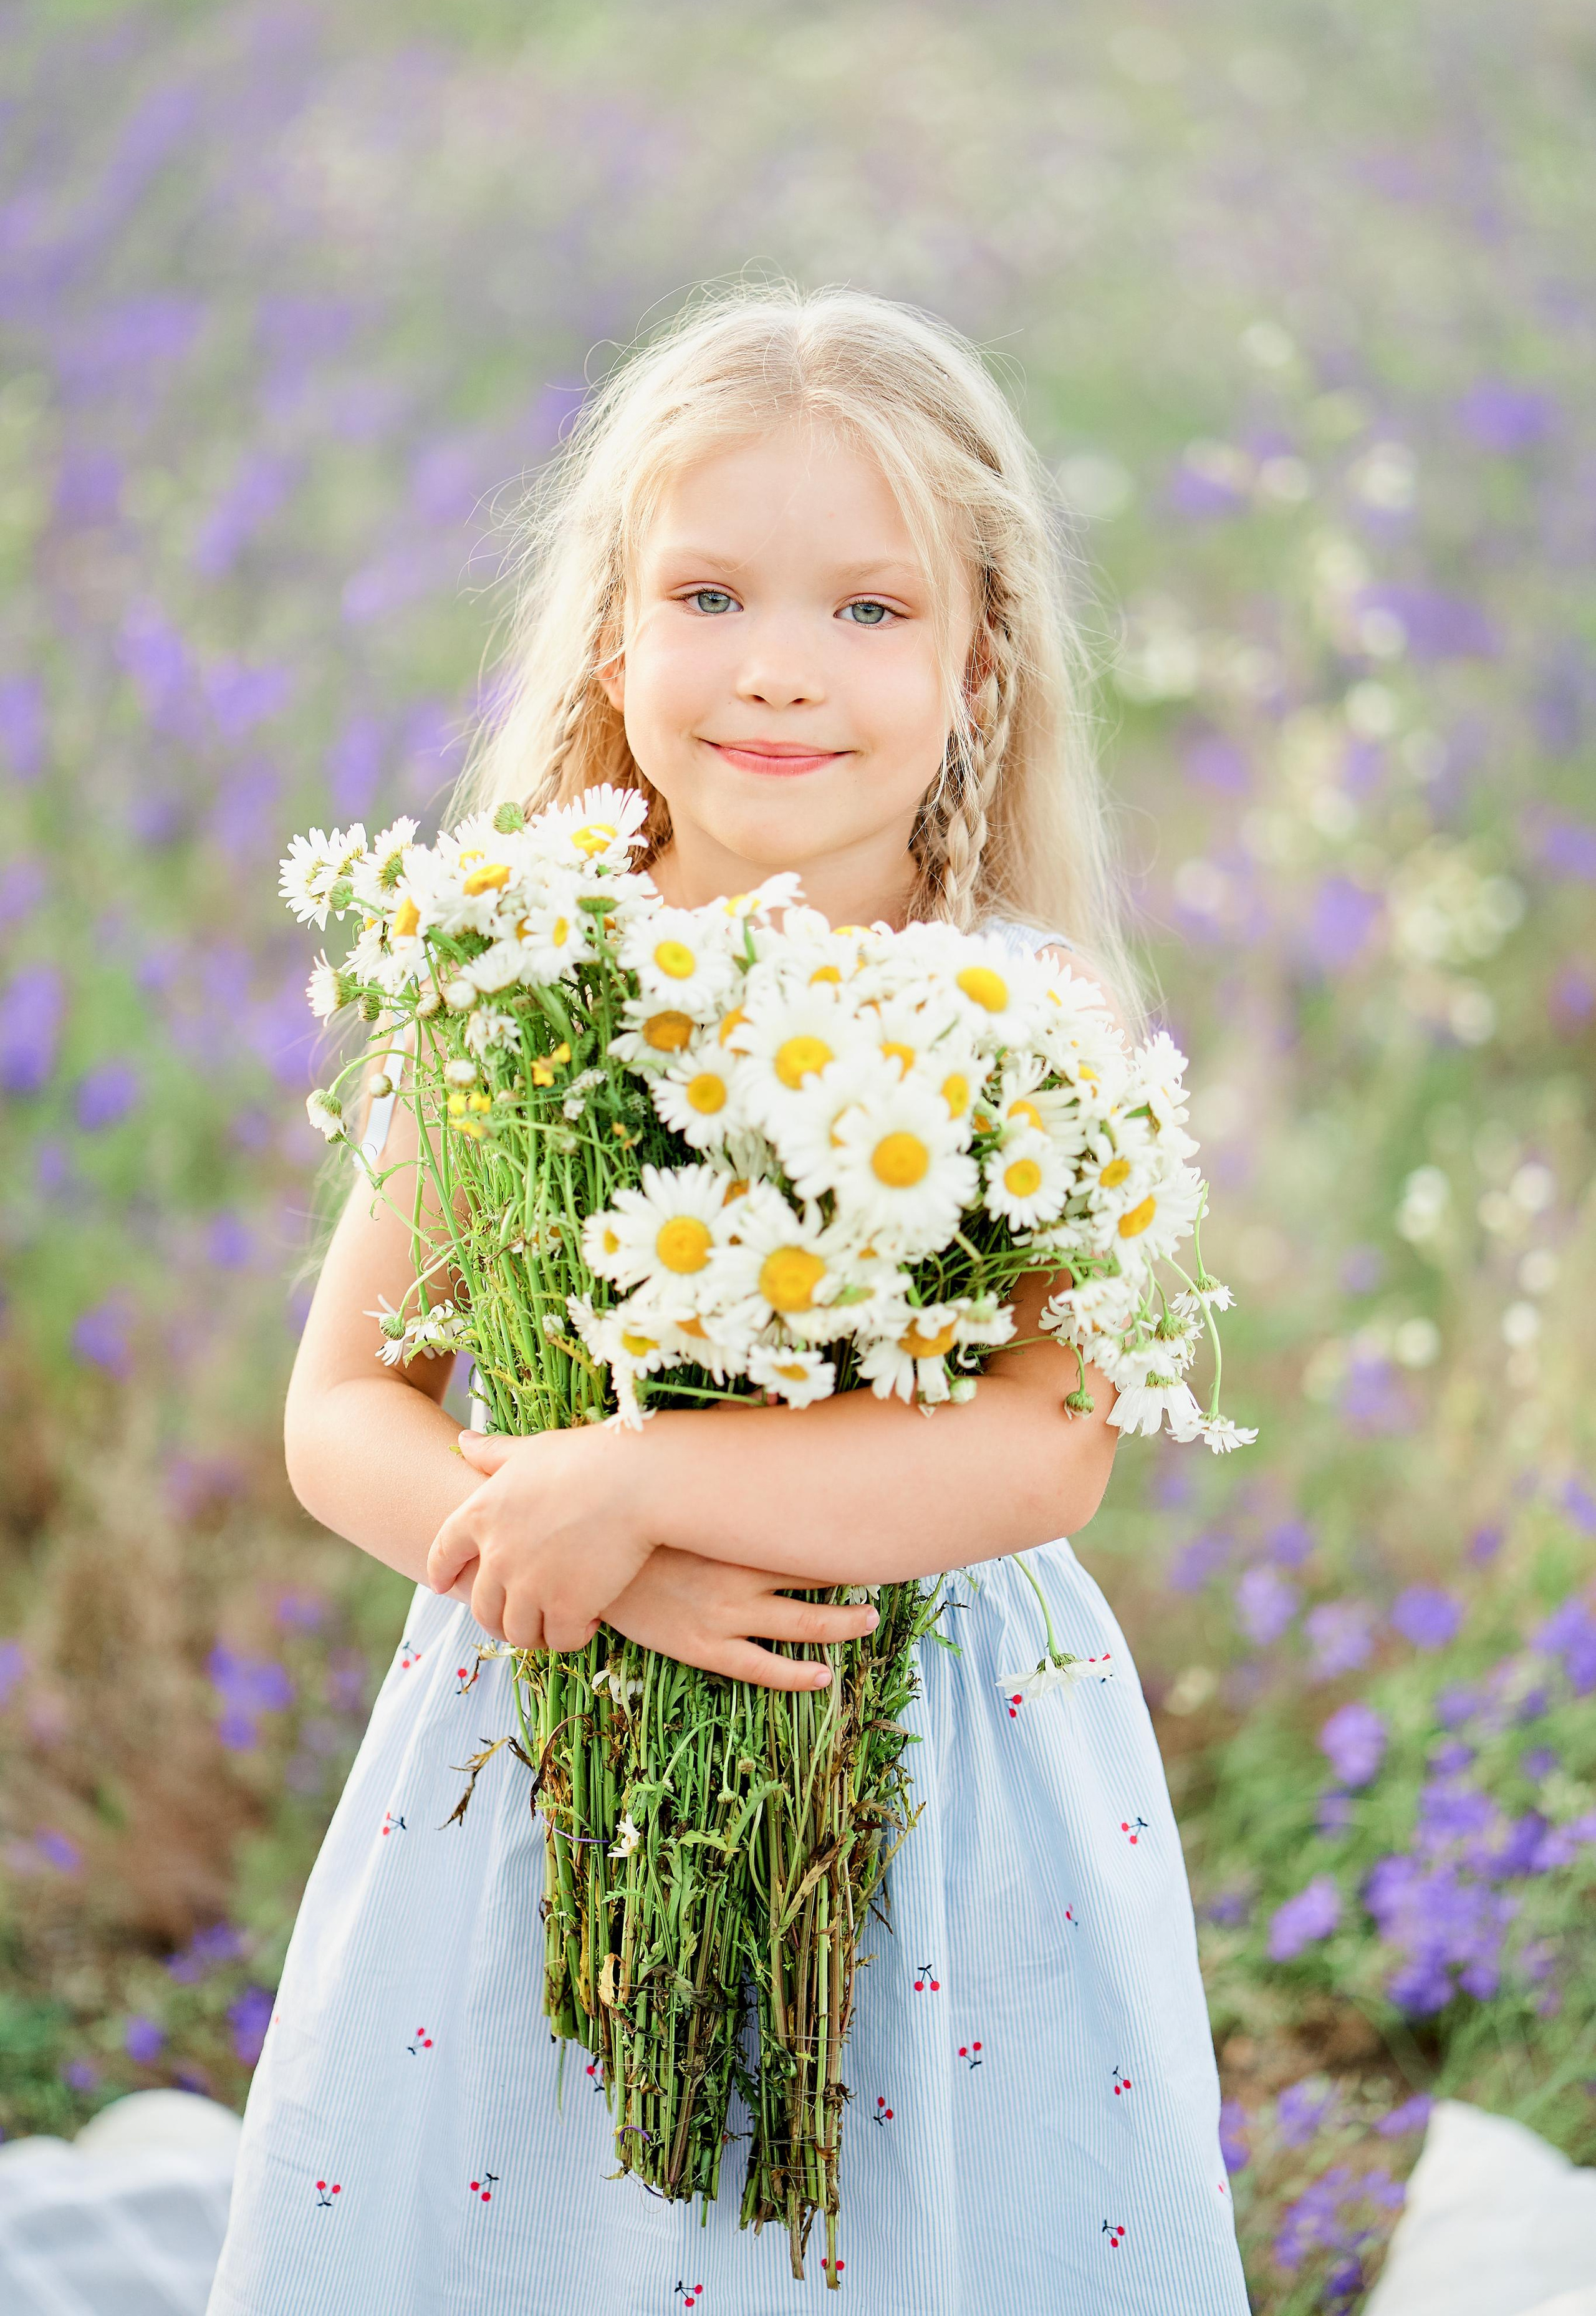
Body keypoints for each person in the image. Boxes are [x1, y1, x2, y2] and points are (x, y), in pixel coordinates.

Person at [206, 282, 1249, 2314]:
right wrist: (585, 1562)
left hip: (941, 1767)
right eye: (709, 595)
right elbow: (342, 1407)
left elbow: (1046, 1446)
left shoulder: (1025, 1016)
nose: (781, 671)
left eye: (870, 611)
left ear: (981, 661)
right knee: (540, 2191)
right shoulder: (516, 980)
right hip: (552, 1731)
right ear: (612, 630)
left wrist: (643, 1481)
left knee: (911, 2200)